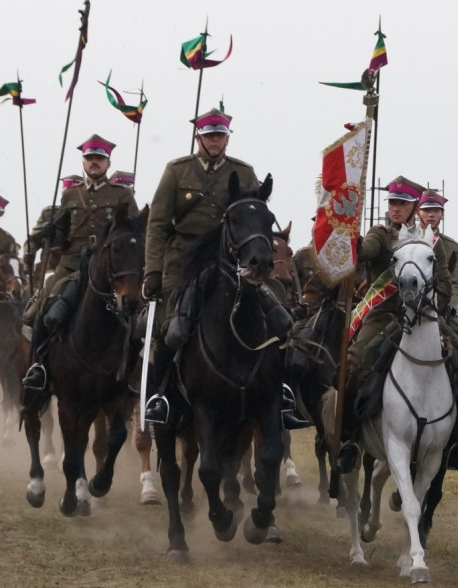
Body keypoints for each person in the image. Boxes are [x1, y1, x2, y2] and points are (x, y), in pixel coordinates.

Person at [142, 107, 294, 425]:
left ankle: (280, 391)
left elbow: (254, 217)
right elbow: (157, 225)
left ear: (227, 139)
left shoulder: (244, 171)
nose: (215, 141)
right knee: (175, 328)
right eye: (209, 135)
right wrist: (153, 271)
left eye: (220, 135)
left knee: (280, 320)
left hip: (231, 262)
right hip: (184, 263)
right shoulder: (176, 171)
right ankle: (160, 396)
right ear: (199, 137)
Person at [335, 176, 453, 473]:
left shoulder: (431, 241)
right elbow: (365, 252)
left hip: (424, 318)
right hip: (384, 315)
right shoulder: (381, 234)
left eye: (402, 204)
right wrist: (351, 238)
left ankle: (456, 440)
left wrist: (434, 311)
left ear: (415, 207)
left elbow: (445, 284)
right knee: (356, 364)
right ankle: (350, 438)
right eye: (392, 203)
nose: (395, 209)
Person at [22, 135, 138, 390]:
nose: (94, 163)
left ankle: (132, 372)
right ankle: (39, 366)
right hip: (72, 262)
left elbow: (134, 230)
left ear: (108, 162)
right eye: (90, 158)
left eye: (99, 158)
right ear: (83, 162)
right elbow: (63, 235)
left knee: (134, 312)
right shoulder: (71, 195)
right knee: (46, 303)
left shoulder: (122, 194)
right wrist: (52, 234)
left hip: (107, 265)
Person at [417, 188, 458, 473]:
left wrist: (447, 306)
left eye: (435, 210)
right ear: (419, 213)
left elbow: (456, 282)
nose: (430, 214)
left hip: (440, 314)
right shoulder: (406, 239)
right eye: (426, 210)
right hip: (407, 313)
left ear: (441, 215)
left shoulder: (451, 247)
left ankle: (457, 440)